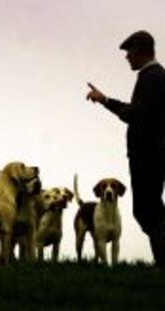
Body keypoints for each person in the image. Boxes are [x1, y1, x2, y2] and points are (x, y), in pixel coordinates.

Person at [86, 30, 165, 266]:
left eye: (129, 51)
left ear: (140, 50)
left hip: (148, 157)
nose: (127, 57)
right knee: (151, 210)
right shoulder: (155, 76)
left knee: (148, 211)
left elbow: (135, 114)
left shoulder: (151, 77)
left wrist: (105, 101)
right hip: (153, 155)